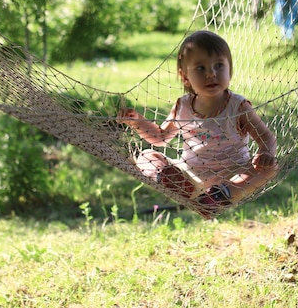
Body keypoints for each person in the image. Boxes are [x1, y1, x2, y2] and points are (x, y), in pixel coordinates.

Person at [117, 30, 278, 214]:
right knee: (145, 157)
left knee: (270, 168)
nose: (211, 74)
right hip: (190, 174)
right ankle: (180, 186)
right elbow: (161, 138)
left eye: (219, 66)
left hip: (234, 174)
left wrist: (266, 152)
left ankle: (220, 196)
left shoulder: (238, 107)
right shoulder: (183, 106)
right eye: (201, 68)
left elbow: (265, 135)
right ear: (185, 76)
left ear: (229, 70)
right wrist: (137, 121)